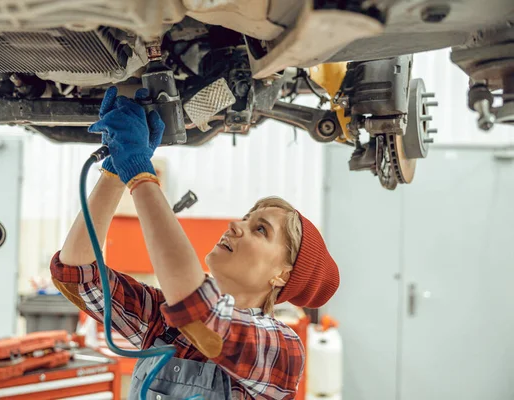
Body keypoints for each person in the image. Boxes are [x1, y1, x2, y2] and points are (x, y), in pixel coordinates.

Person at [50, 87, 340, 399]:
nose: (236, 226)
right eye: (245, 218)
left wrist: (138, 171)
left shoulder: (282, 348)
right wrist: (114, 173)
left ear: (282, 274)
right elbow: (78, 276)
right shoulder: (165, 325)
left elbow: (201, 311)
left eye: (260, 230)